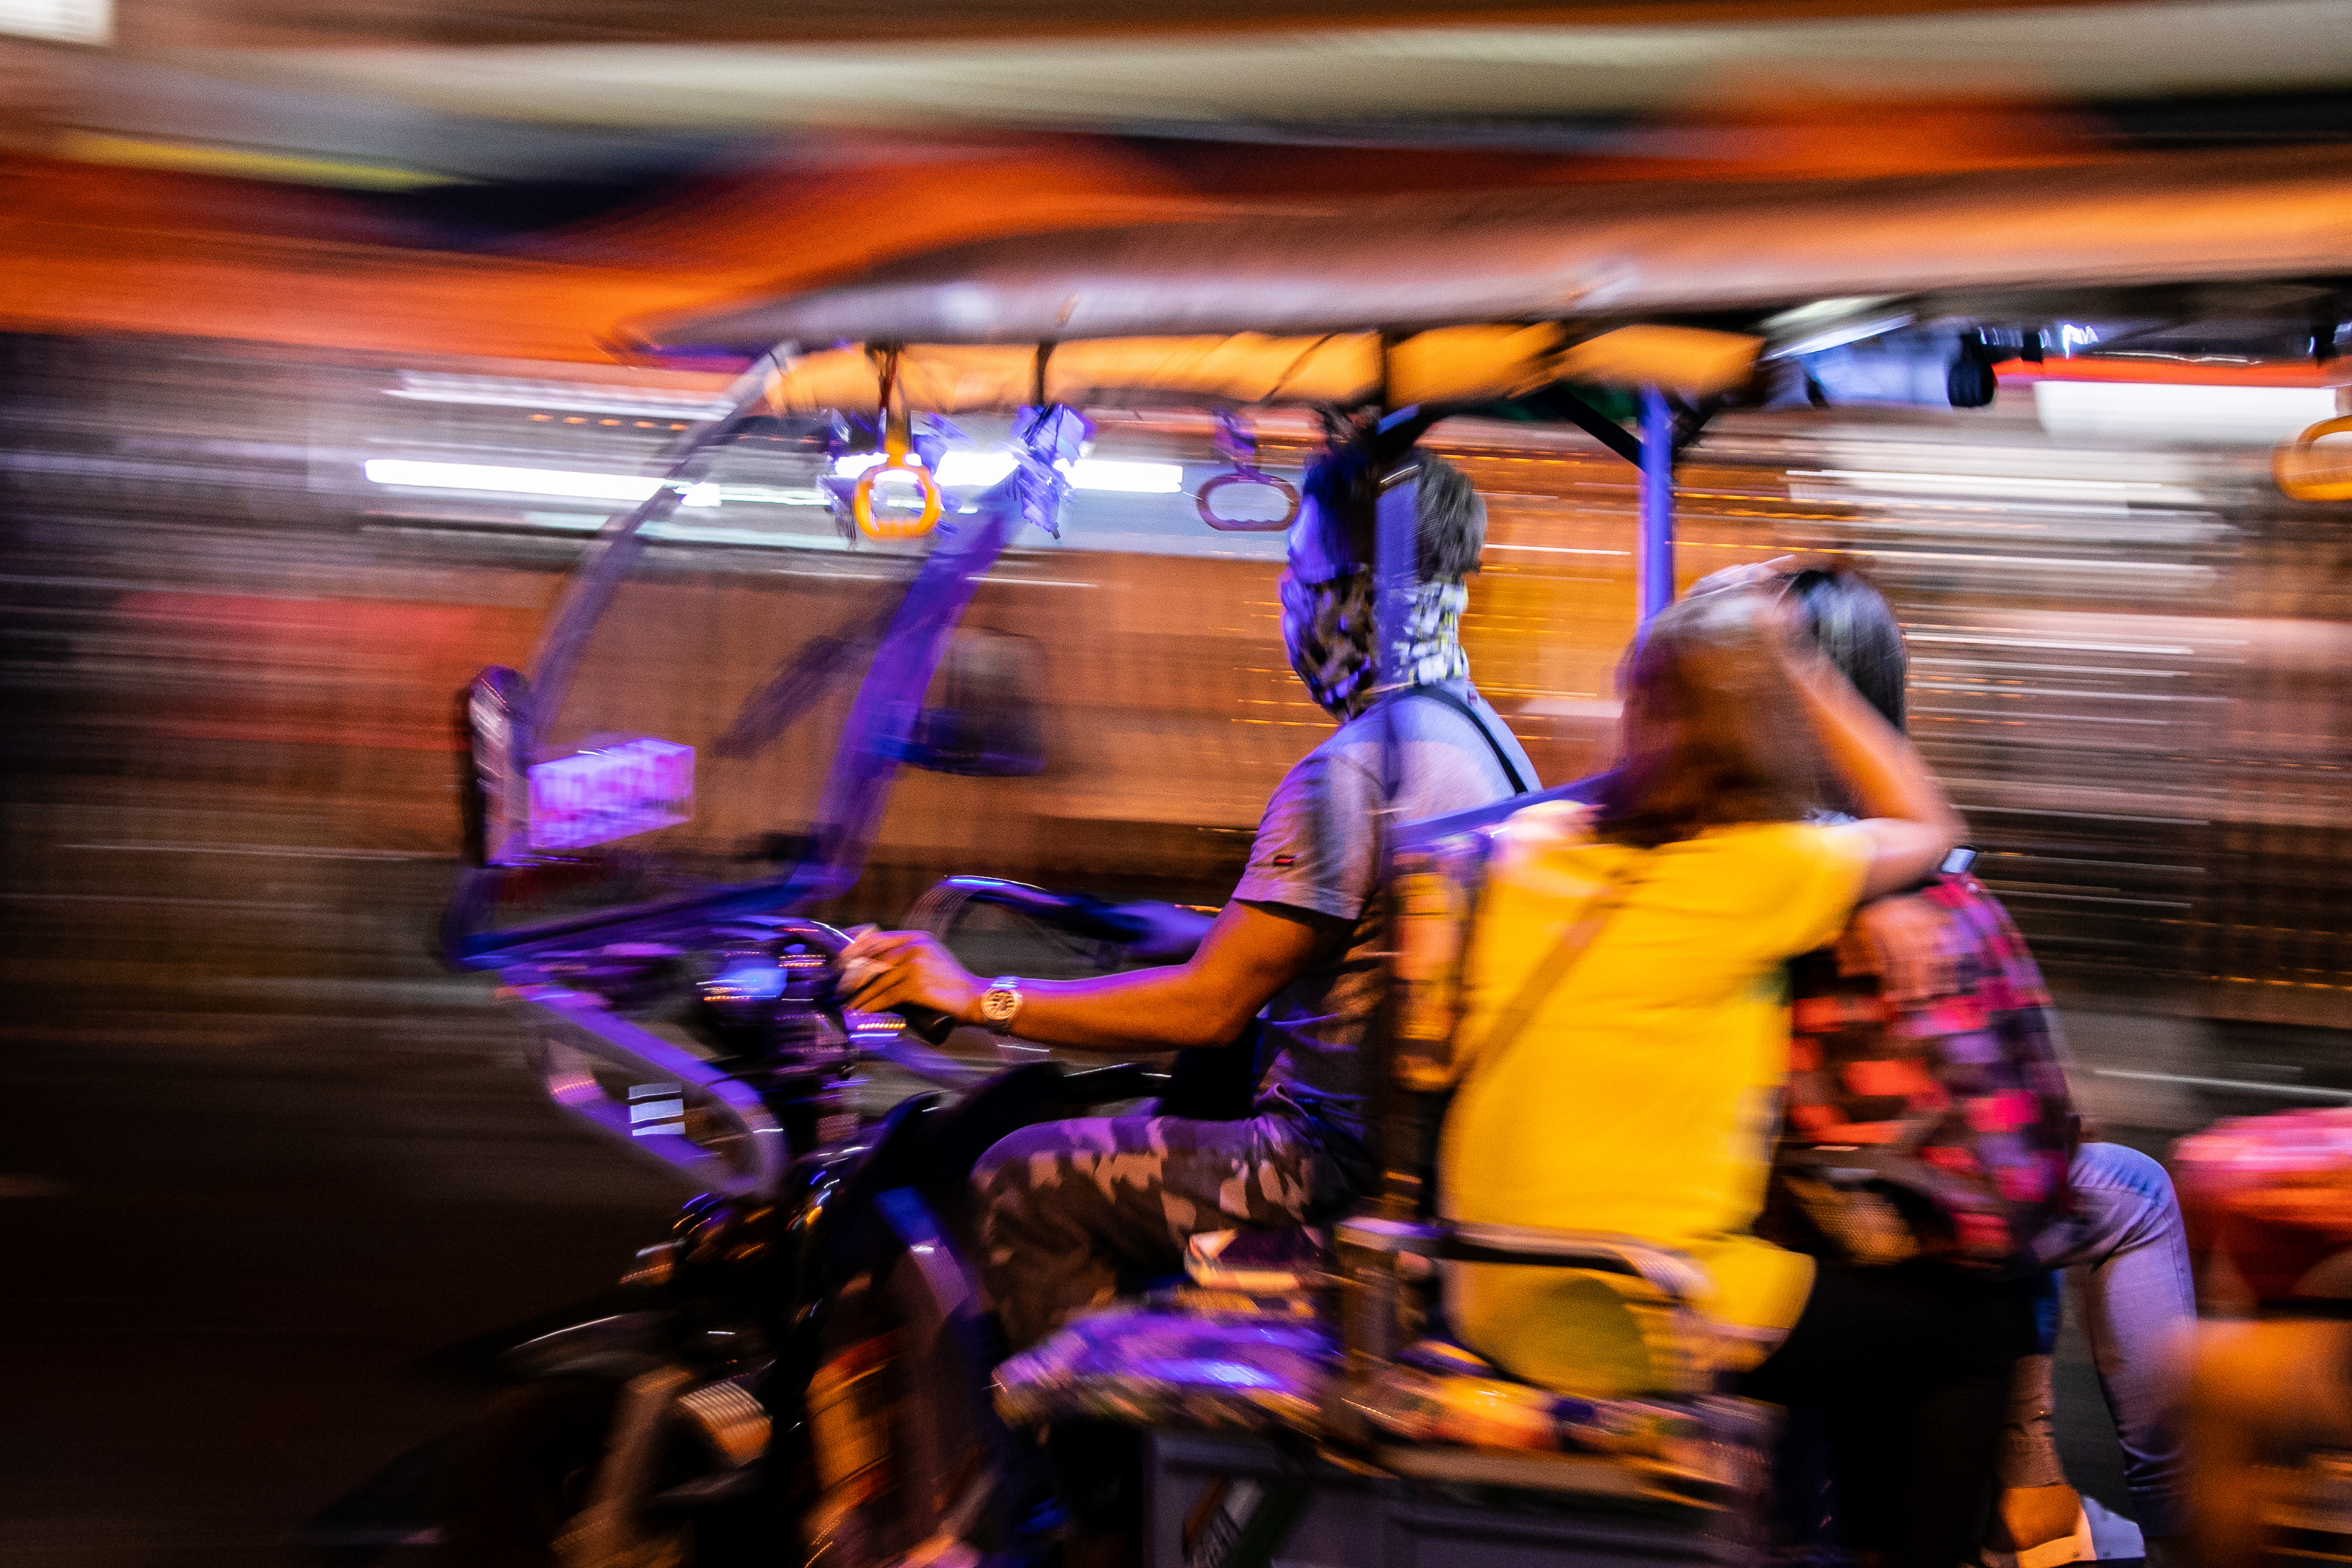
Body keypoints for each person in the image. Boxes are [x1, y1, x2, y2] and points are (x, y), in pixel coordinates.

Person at [842, 438, 1536, 1353]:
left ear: (1361, 596)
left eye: (1301, 573)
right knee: (1143, 1118)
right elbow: (1343, 943)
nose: (1287, 598)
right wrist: (1169, 931)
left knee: (1022, 1176)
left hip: (1326, 1166)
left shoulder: (1355, 772)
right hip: (1425, 1157)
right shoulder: (1484, 744)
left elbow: (1209, 1008)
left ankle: (1080, 1432)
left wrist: (977, 998)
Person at [1441, 581, 2037, 1568]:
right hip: (1638, 1310)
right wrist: (1800, 666)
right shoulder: (1763, 868)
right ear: (1774, 729)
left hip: (1486, 1286)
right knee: (1982, 1325)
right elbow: (1926, 825)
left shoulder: (1534, 848)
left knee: (1862, 1313)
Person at [1769, 564, 2195, 1567]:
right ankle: (2159, 1516)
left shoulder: (1805, 841)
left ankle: (2049, 1488)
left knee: (2072, 1191)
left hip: (1848, 1163)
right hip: (1848, 1189)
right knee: (2121, 1195)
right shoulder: (1853, 856)